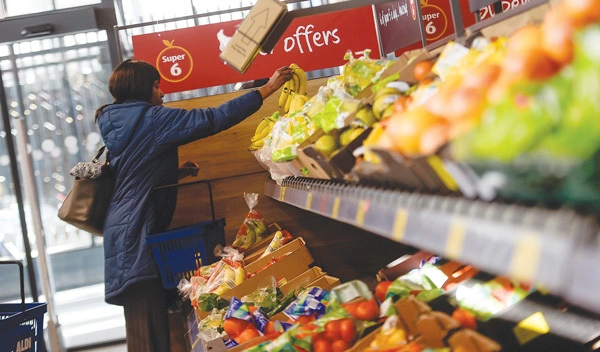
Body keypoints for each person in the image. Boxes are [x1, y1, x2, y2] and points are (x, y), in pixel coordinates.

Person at [94, 59, 292, 351]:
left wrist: (173, 172)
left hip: (126, 228)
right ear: (142, 88)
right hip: (134, 233)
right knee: (147, 333)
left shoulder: (121, 121)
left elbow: (132, 170)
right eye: (156, 85)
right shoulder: (150, 119)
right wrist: (267, 89)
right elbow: (213, 118)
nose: (161, 92)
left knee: (149, 326)